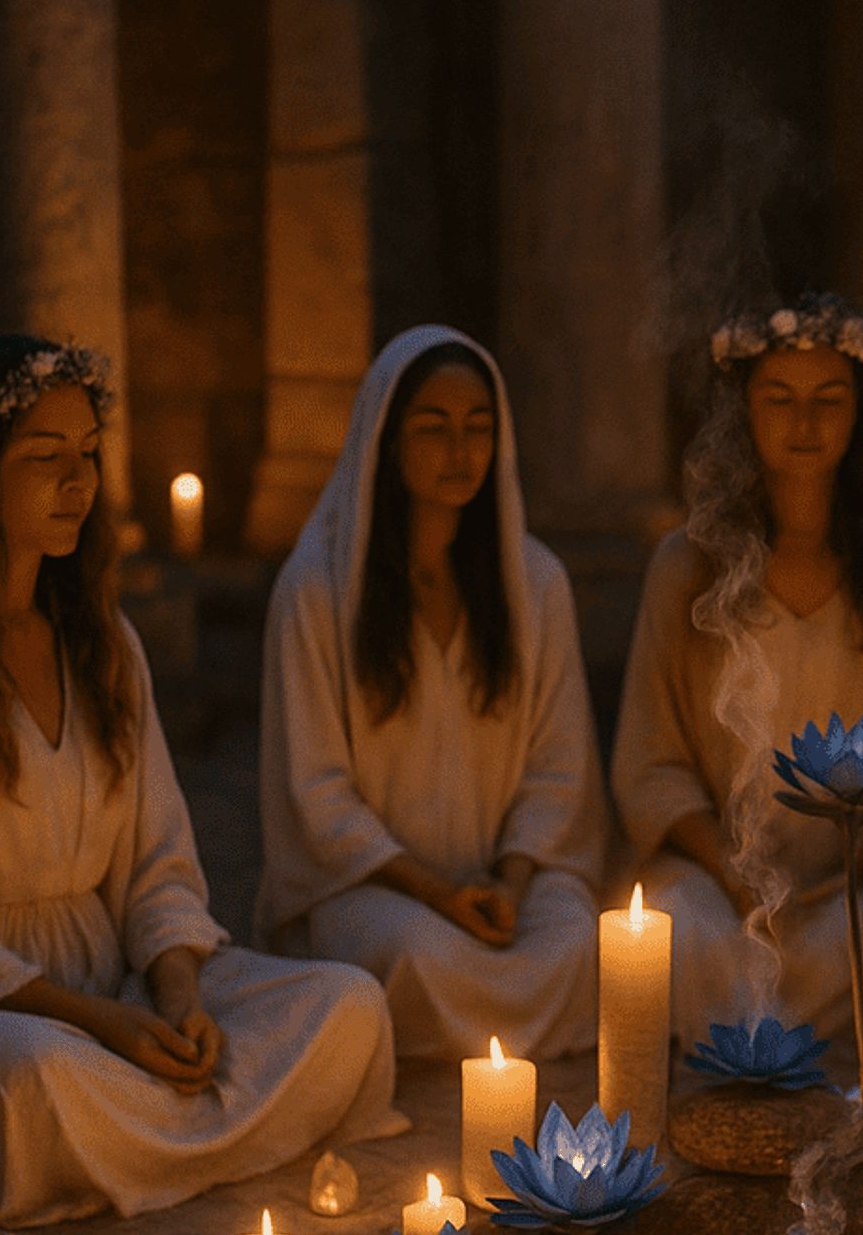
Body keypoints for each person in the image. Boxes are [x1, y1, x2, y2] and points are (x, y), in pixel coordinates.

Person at [0, 335, 401, 1224]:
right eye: (45, 457)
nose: (78, 481)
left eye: (88, 454)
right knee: (35, 1082)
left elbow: (159, 865)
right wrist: (100, 1023)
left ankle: (140, 1139)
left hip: (119, 980)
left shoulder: (104, 644)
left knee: (349, 1005)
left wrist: (177, 998)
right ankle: (191, 1130)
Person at [611, 294, 863, 1043]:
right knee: (683, 936)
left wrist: (840, 877)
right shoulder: (687, 566)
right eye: (779, 398)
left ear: (861, 412)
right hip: (719, 879)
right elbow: (649, 763)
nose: (804, 422)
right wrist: (733, 868)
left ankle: (772, 1049)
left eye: (829, 399)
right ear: (742, 412)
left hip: (860, 884)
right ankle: (758, 1052)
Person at [257, 325, 605, 1061]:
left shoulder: (536, 584)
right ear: (387, 440)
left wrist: (510, 882)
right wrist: (436, 893)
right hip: (371, 886)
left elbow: (559, 769)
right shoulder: (317, 591)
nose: (459, 450)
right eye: (433, 427)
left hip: (507, 881)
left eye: (478, 428)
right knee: (417, 958)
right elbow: (315, 791)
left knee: (580, 945)